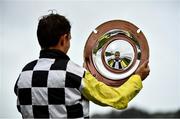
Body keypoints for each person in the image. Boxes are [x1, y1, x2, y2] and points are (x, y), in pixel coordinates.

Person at [14, 12, 150, 118]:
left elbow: (23, 107)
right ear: (64, 39)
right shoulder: (74, 73)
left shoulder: (24, 74)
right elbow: (116, 98)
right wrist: (138, 77)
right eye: (69, 38)